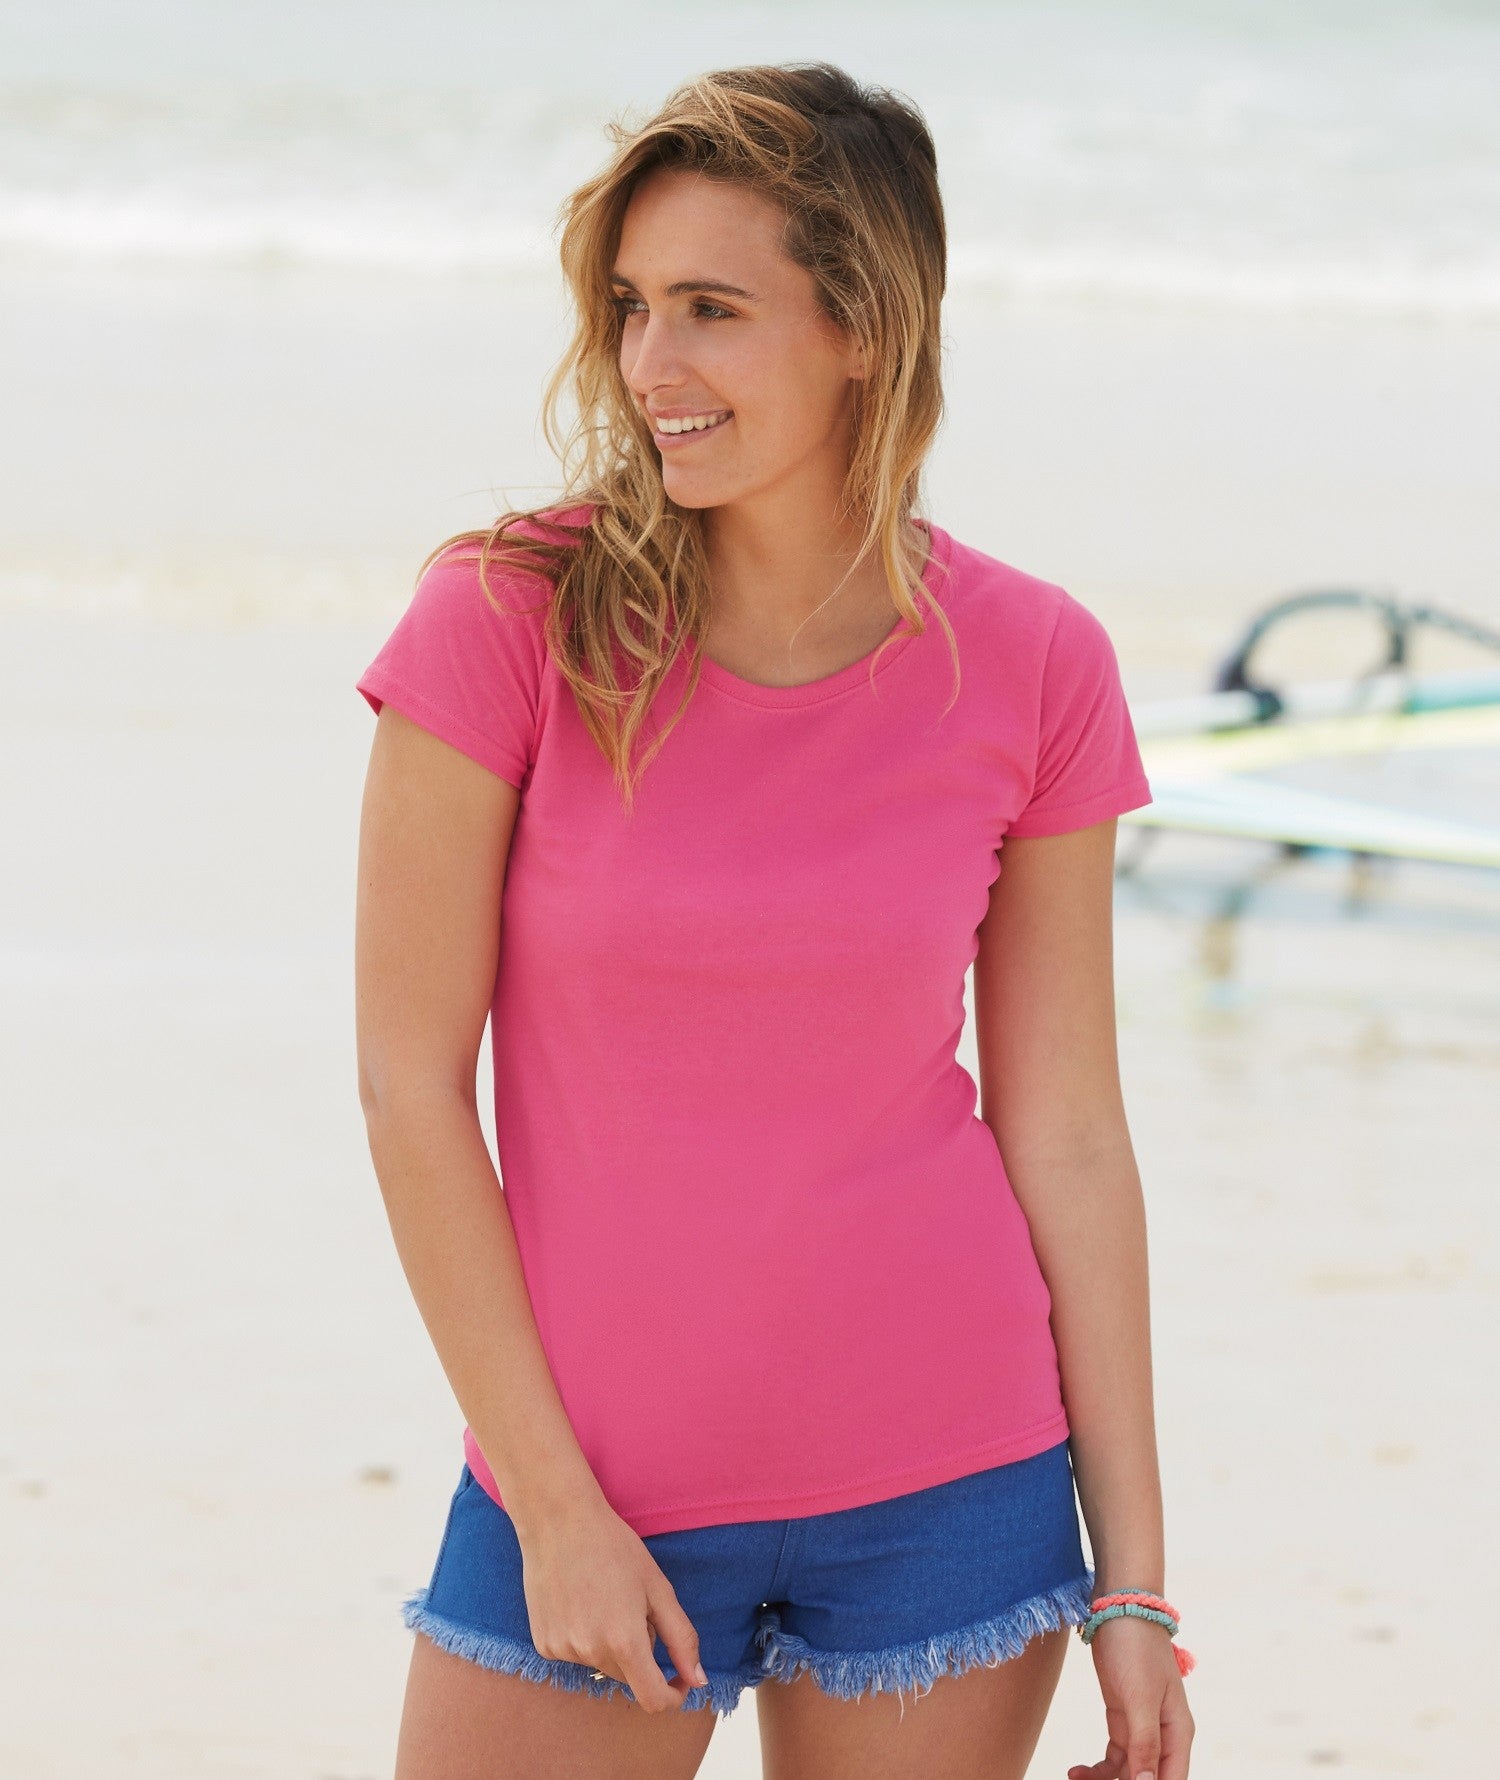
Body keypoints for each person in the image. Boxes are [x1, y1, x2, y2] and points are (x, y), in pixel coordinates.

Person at [354, 60, 1194, 1780]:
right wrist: (554, 1509)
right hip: (591, 1487)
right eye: (632, 306)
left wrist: (1135, 1586)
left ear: (865, 326)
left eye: (713, 310)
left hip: (954, 1484)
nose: (650, 365)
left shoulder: (1036, 661)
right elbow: (410, 1087)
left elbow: (1067, 1131)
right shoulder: (505, 620)